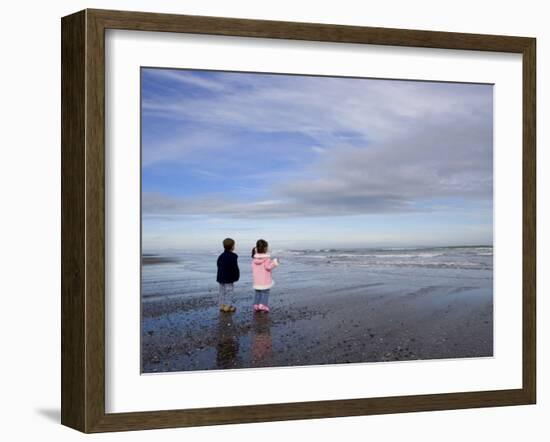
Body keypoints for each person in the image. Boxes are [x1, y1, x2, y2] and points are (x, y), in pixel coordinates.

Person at [251, 239, 279, 313]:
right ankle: (263, 305)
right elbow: (268, 267)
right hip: (264, 280)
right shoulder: (266, 259)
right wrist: (274, 263)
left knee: (257, 292)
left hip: (257, 280)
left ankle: (256, 305)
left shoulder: (254, 259)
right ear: (265, 248)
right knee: (265, 292)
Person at [216, 238, 240, 313]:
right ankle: (228, 306)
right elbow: (235, 268)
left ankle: (222, 305)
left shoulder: (221, 256)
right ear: (232, 246)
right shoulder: (233, 256)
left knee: (222, 291)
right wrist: (236, 276)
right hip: (229, 277)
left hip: (221, 277)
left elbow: (218, 265)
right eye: (234, 245)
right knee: (229, 291)